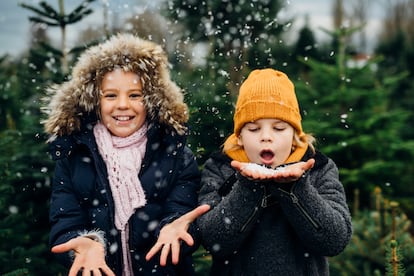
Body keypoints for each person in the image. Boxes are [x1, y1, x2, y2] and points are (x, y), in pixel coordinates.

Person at [42, 33, 209, 276]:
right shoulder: (74, 158)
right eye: (110, 95)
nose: (122, 105)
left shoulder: (176, 155)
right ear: (93, 101)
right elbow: (65, 222)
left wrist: (174, 229)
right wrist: (84, 244)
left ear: (152, 100)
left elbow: (182, 213)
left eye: (134, 95)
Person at [197, 68, 353, 275]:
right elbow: (213, 240)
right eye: (253, 129)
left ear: (295, 135)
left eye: (279, 128)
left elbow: (335, 240)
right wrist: (247, 186)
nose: (266, 137)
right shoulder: (220, 169)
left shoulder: (319, 168)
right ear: (240, 137)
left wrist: (294, 189)